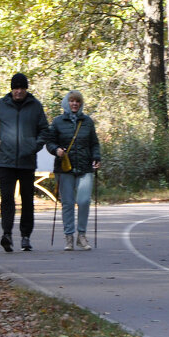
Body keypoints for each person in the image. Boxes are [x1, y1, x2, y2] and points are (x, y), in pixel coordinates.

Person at [0, 72, 49, 252]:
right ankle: (7, 234)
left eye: (21, 88)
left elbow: (44, 129)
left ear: (26, 89)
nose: (18, 91)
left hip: (27, 162)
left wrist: (36, 145)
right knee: (7, 200)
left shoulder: (35, 106)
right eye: (15, 88)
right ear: (11, 89)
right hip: (6, 161)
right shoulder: (1, 105)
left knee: (28, 201)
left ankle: (26, 237)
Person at [42, 90, 102, 251]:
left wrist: (97, 158)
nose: (75, 104)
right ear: (66, 103)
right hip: (64, 168)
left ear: (81, 104)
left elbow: (94, 143)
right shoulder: (57, 122)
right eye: (72, 101)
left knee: (83, 201)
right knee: (67, 203)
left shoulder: (87, 121)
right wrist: (56, 150)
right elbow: (49, 142)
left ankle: (81, 235)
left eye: (78, 101)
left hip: (85, 167)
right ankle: (69, 236)